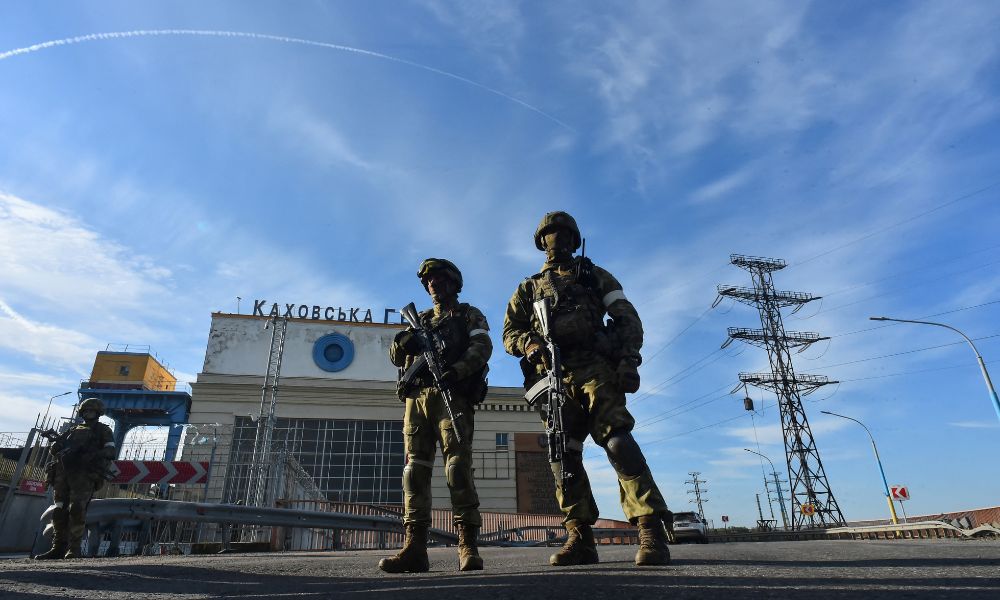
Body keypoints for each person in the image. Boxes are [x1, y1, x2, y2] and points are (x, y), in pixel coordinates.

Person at [502, 211, 672, 567]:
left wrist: (628, 359)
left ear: (575, 240)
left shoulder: (594, 275)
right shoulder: (528, 288)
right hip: (552, 375)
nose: (558, 240)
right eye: (551, 234)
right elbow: (510, 333)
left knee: (618, 441)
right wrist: (529, 344)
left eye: (565, 234)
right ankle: (579, 535)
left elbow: (626, 317)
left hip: (595, 367)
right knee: (563, 453)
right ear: (541, 242)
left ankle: (649, 527)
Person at [381, 258, 492, 573]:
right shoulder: (420, 320)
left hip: (452, 394)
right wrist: (402, 343)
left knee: (457, 468)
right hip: (417, 399)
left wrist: (457, 370)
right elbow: (396, 357)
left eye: (439, 279)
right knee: (414, 471)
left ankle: (467, 545)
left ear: (454, 283)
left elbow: (482, 346)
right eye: (429, 281)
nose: (433, 285)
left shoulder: (468, 314)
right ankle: (415, 547)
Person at [35, 397, 116, 559]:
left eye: (92, 411)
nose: (88, 413)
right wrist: (57, 445)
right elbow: (55, 450)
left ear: (98, 413)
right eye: (86, 410)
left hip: (83, 475)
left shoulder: (103, 430)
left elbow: (110, 451)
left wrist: (92, 454)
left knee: (77, 509)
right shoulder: (72, 430)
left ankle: (73, 548)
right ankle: (57, 547)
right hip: (63, 475)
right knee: (59, 509)